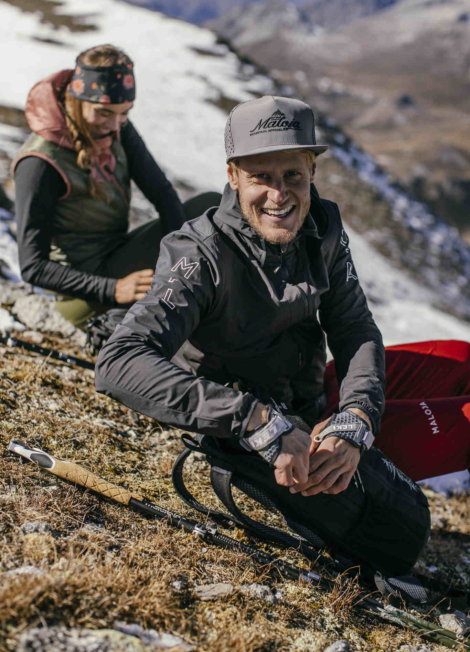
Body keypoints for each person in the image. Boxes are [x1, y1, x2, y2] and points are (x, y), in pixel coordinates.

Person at [94, 95, 470, 576]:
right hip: (283, 437)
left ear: (312, 170)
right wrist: (255, 420)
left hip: (316, 396)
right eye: (261, 177)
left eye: (292, 174)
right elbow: (119, 362)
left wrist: (357, 414)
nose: (279, 194)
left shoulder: (323, 227)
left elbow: (353, 326)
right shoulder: (200, 255)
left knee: (460, 356)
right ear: (233, 176)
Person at [13, 44, 221, 329]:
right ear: (77, 100)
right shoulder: (40, 163)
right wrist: (114, 289)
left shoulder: (118, 128)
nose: (114, 125)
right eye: (103, 113)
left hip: (118, 256)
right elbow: (32, 267)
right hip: (82, 295)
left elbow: (162, 193)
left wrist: (178, 255)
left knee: (210, 207)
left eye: (124, 113)